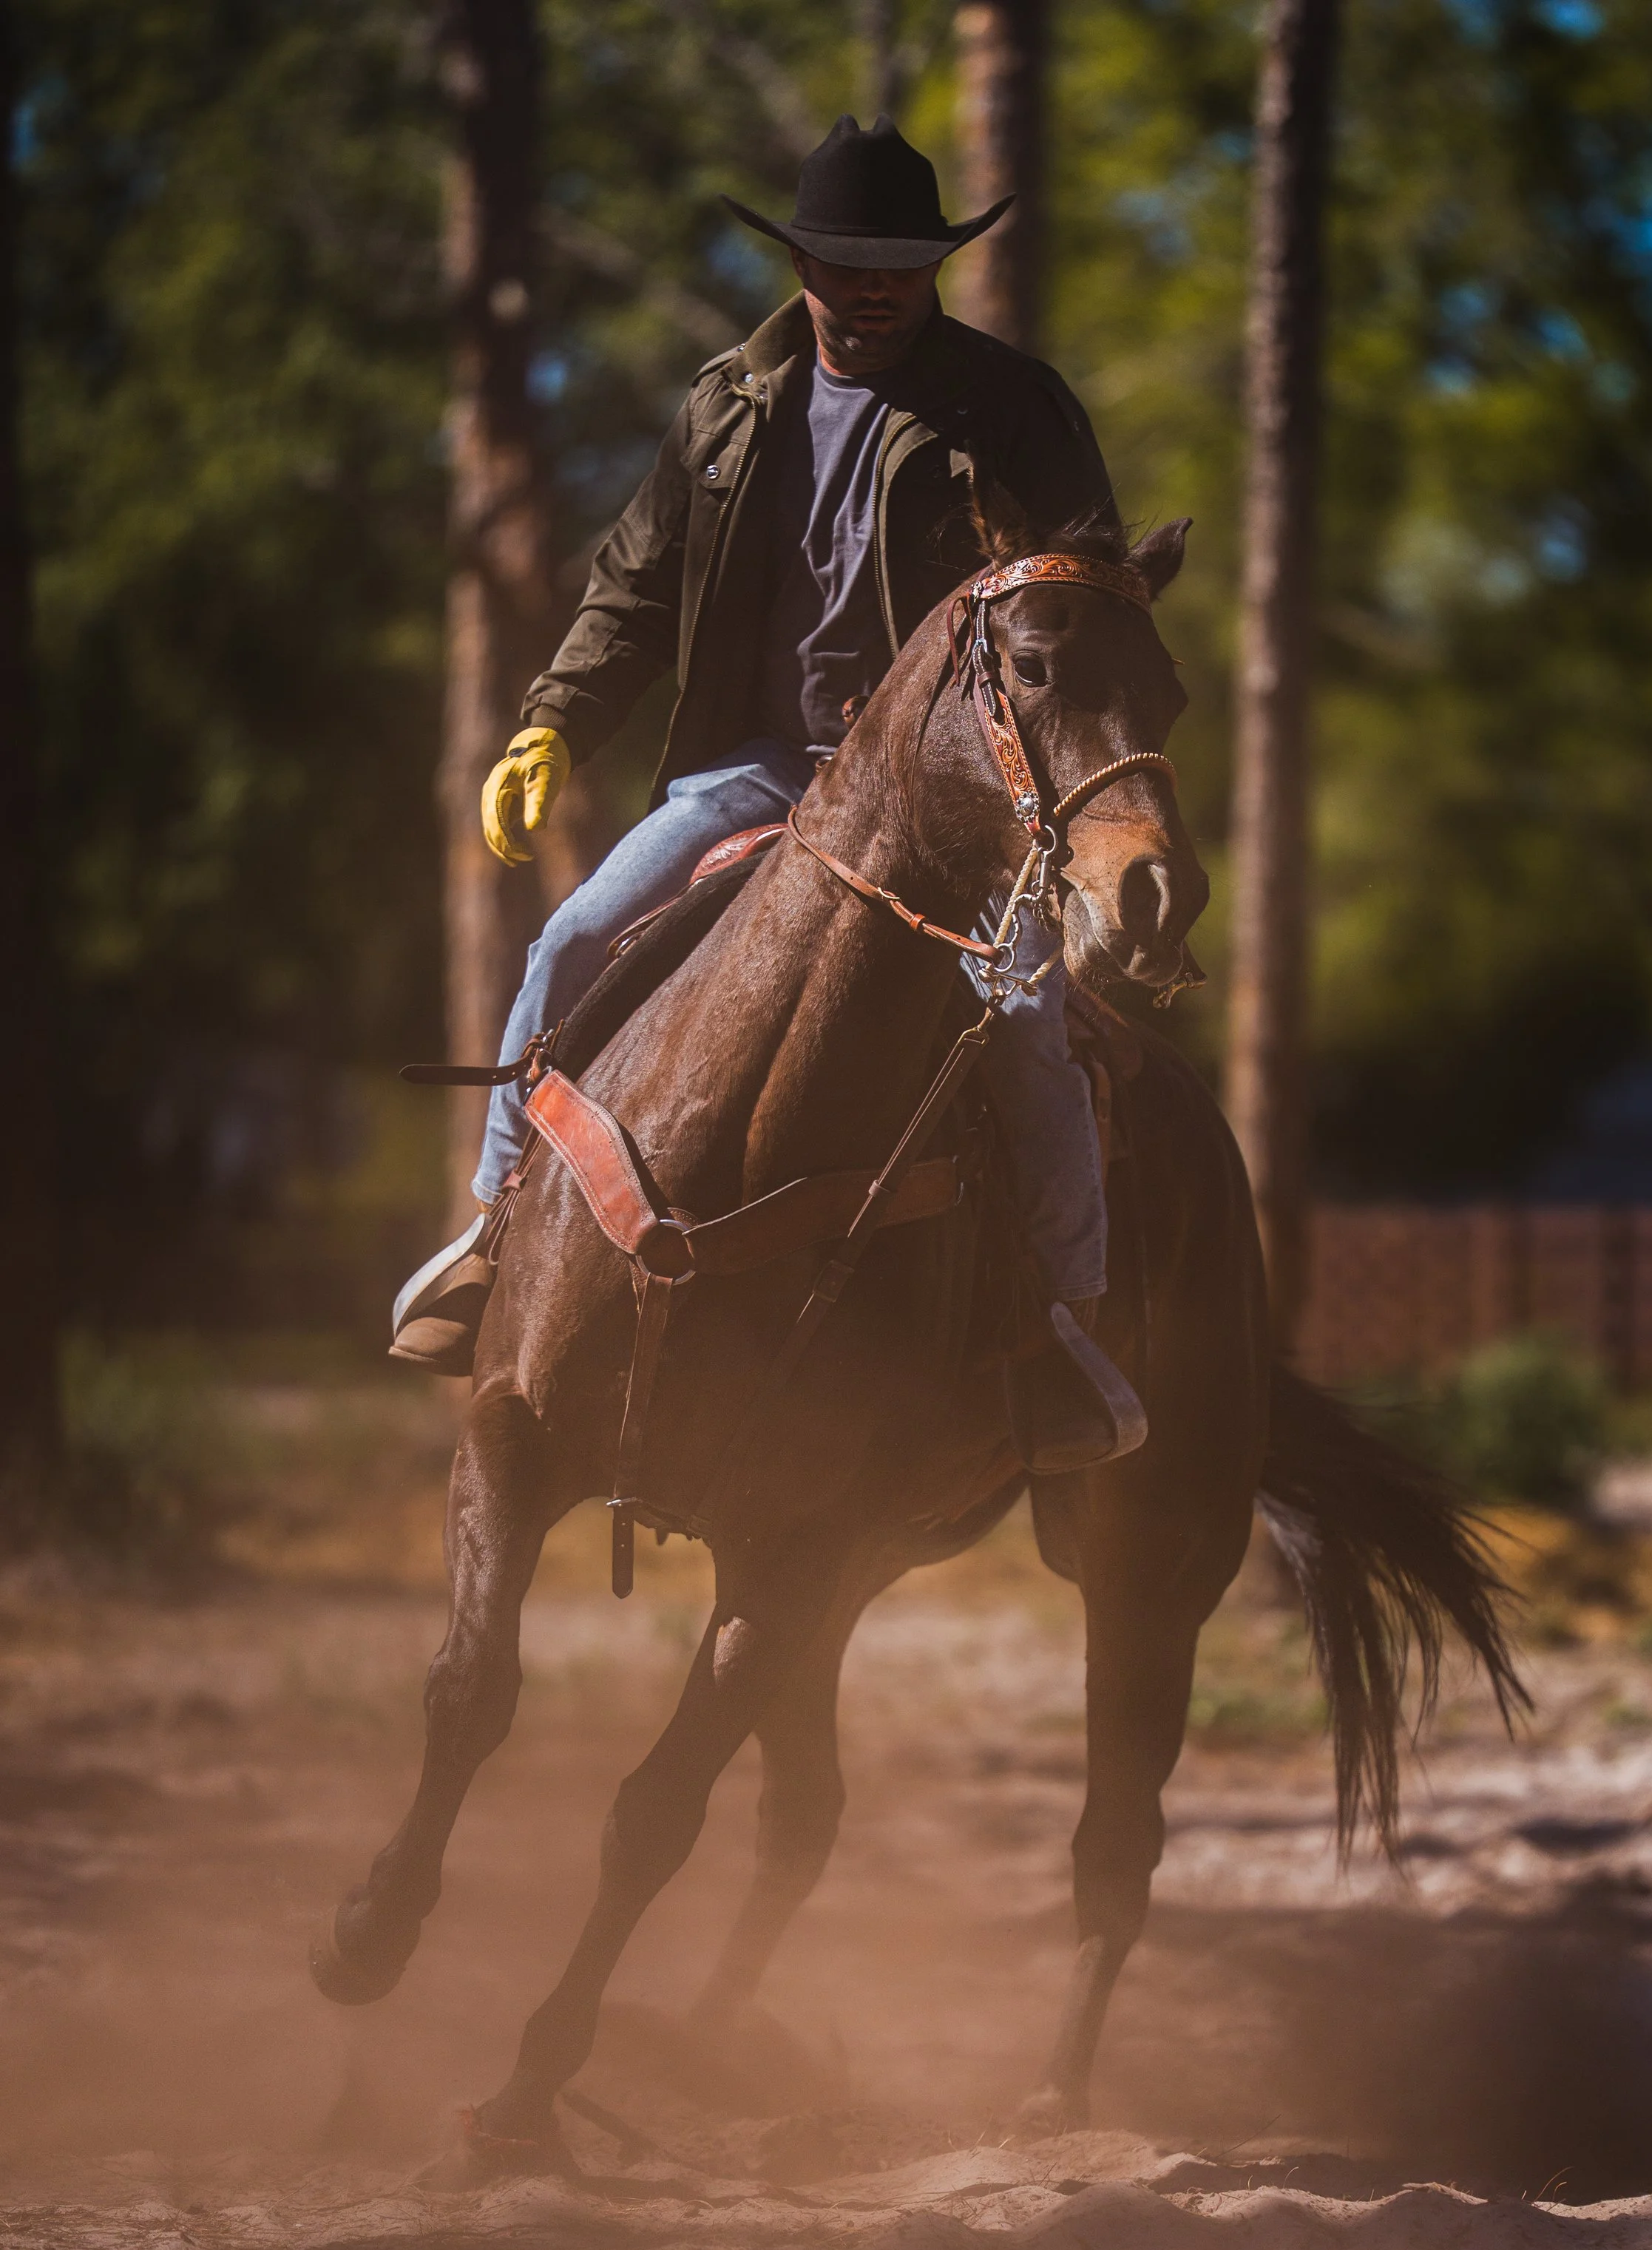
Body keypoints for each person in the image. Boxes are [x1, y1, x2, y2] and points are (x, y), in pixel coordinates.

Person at [393, 115, 1142, 1471]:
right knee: (570, 939)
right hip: (752, 770)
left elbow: (1081, 603)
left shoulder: (1015, 408)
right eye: (850, 263)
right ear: (800, 262)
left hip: (950, 806)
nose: (876, 288)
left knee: (1029, 1017)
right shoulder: (726, 408)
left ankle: (1062, 1326)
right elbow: (633, 589)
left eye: (902, 265)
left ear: (934, 267)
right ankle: (493, 1231)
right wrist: (551, 725)